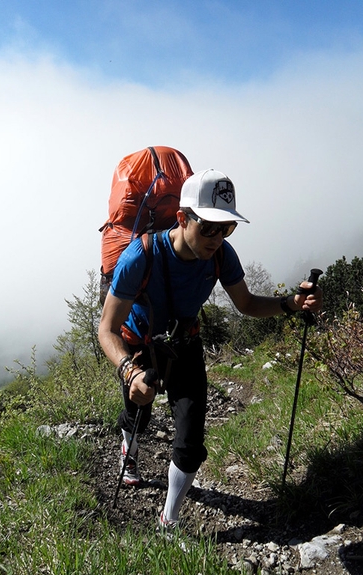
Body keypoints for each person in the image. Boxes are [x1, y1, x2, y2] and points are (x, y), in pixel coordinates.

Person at [98, 168, 323, 530]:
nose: (217, 237)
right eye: (209, 226)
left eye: (227, 228)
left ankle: (168, 521)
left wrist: (291, 304)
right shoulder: (139, 257)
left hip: (184, 347)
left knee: (190, 441)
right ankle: (131, 449)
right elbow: (107, 329)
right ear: (183, 218)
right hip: (138, 348)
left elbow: (246, 304)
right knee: (137, 414)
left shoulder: (221, 256)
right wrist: (131, 371)